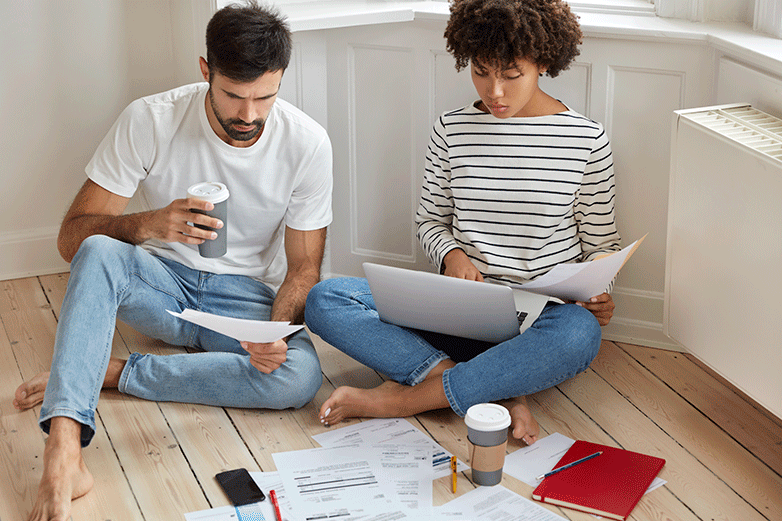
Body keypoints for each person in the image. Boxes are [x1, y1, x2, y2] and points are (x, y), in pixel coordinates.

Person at [12, 3, 332, 520]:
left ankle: (114, 372)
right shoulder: (151, 118)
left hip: (242, 297)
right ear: (206, 71)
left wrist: (274, 332)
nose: (249, 115)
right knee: (98, 249)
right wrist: (145, 224)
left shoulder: (308, 143)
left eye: (265, 97)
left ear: (281, 81)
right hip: (159, 286)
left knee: (297, 376)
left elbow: (303, 270)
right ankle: (64, 452)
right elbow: (71, 238)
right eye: (233, 95)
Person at [305, 0, 620, 446]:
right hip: (459, 308)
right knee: (326, 298)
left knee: (580, 334)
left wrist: (602, 292)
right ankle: (501, 392)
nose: (495, 91)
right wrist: (452, 255)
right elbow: (430, 219)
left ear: (544, 62)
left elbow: (601, 241)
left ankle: (401, 402)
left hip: (541, 318)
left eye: (512, 75)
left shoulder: (586, 139)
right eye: (480, 71)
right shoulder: (451, 130)